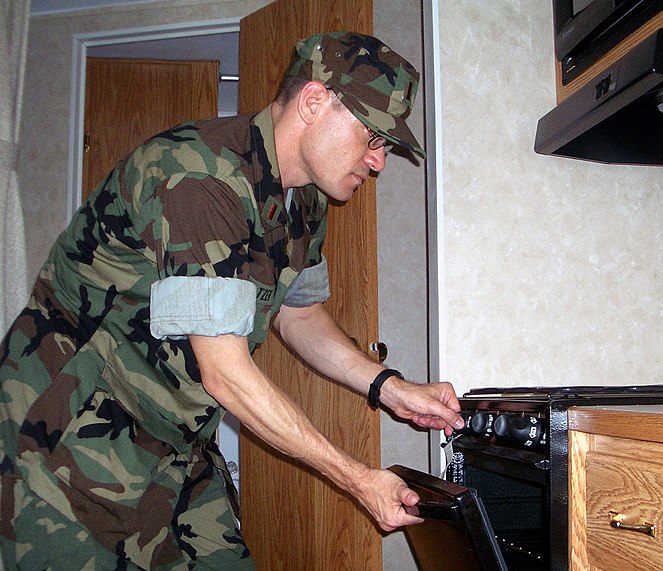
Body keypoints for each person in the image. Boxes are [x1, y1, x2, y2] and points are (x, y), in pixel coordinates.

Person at [0, 31, 464, 570]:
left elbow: (299, 313)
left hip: (173, 439)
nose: (378, 162)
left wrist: (388, 387)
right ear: (314, 103)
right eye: (373, 137)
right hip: (62, 436)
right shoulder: (200, 177)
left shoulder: (307, 202)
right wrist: (359, 480)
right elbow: (225, 371)